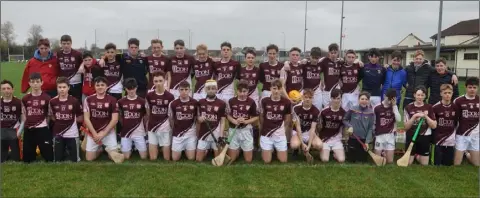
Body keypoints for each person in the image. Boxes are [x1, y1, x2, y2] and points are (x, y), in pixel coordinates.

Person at [83, 76, 124, 163]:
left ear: (106, 87)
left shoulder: (112, 100)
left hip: (108, 132)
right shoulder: (88, 99)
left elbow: (115, 120)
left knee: (113, 157)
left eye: (102, 85)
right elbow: (86, 118)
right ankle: (101, 149)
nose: (100, 87)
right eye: (98, 85)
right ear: (94, 86)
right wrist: (94, 134)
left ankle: (106, 149)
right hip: (94, 133)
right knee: (89, 158)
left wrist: (103, 133)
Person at [21, 72, 54, 163]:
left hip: (42, 129)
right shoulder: (25, 98)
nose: (35, 84)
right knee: (27, 160)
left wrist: (44, 125)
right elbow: (24, 114)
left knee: (49, 158)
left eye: (37, 81)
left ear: (41, 83)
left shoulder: (47, 98)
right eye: (33, 82)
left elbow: (49, 114)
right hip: (29, 129)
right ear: (29, 83)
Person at [49, 77, 83, 162]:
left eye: (64, 87)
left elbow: (80, 117)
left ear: (68, 87)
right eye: (59, 87)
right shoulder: (52, 101)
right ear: (57, 88)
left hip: (72, 133)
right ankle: (63, 150)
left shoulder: (74, 101)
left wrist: (70, 122)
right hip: (58, 133)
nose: (62, 89)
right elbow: (52, 116)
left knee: (75, 160)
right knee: (57, 160)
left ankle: (69, 149)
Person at [259, 79, 291, 163]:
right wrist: (264, 129)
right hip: (267, 134)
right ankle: (270, 149)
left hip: (280, 135)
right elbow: (262, 117)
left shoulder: (287, 102)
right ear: (270, 89)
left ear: (281, 89)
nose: (276, 91)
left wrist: (282, 130)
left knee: (283, 160)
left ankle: (275, 149)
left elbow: (287, 119)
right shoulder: (264, 101)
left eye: (278, 88)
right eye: (274, 88)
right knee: (267, 161)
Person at [403, 85, 437, 166]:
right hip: (411, 136)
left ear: (425, 96)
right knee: (408, 163)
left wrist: (426, 116)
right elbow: (406, 127)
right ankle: (413, 154)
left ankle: (417, 155)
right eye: (418, 95)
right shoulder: (408, 107)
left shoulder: (429, 107)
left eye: (422, 95)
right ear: (414, 95)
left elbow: (434, 126)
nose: (420, 97)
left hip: (424, 136)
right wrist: (414, 117)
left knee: (424, 164)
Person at [227, 80, 259, 163]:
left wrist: (246, 121)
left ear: (248, 91)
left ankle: (242, 148)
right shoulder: (231, 101)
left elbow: (256, 117)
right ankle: (238, 149)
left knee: (248, 160)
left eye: (244, 91)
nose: (242, 94)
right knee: (232, 160)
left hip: (246, 130)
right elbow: (227, 115)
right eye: (240, 91)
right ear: (236, 90)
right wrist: (234, 120)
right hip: (234, 130)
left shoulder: (251, 102)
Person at [145, 71, 175, 161]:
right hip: (152, 126)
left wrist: (171, 126)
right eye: (156, 81)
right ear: (153, 82)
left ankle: (162, 146)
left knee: (166, 158)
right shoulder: (149, 95)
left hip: (165, 127)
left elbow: (171, 115)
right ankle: (152, 146)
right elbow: (148, 111)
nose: (158, 83)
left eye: (160, 81)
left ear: (164, 81)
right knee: (153, 158)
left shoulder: (170, 96)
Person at [196, 80, 227, 162]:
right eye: (208, 88)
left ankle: (211, 149)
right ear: (205, 90)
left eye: (213, 88)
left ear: (216, 90)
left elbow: (223, 121)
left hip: (215, 134)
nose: (211, 90)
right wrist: (199, 119)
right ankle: (206, 150)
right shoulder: (200, 102)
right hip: (203, 134)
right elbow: (197, 119)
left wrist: (220, 136)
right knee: (198, 159)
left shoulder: (221, 103)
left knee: (217, 159)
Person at [117, 78, 148, 160]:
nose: (131, 91)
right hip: (126, 133)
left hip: (139, 132)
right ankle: (130, 147)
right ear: (125, 89)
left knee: (144, 157)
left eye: (133, 88)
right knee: (126, 157)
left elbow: (146, 116)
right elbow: (119, 116)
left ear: (136, 88)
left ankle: (136, 146)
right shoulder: (121, 102)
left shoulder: (142, 101)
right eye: (129, 89)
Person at [290, 89, 323, 161]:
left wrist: (309, 145)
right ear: (302, 97)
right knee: (294, 145)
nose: (307, 99)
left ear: (313, 98)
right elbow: (298, 127)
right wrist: (302, 143)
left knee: (319, 145)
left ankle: (308, 149)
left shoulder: (316, 111)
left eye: (310, 97)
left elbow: (313, 128)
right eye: (306, 97)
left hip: (309, 132)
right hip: (298, 132)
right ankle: (296, 151)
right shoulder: (296, 108)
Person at [169, 81, 198, 161]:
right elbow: (171, 119)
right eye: (182, 90)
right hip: (178, 134)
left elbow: (197, 119)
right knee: (175, 159)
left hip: (190, 134)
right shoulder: (173, 104)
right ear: (178, 90)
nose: (184, 92)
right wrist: (175, 129)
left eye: (186, 89)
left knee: (191, 158)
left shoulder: (195, 103)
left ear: (189, 90)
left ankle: (187, 148)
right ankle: (182, 148)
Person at [453, 77, 479, 166]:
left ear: (477, 88)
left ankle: (467, 153)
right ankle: (463, 152)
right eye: (470, 87)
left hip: (476, 135)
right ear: (466, 87)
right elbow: (454, 119)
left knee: (477, 164)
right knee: (457, 164)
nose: (472, 90)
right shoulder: (458, 101)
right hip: (461, 135)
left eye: (474, 87)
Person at [343, 91, 375, 163]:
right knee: (351, 160)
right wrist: (349, 126)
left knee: (362, 160)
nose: (364, 101)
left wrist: (367, 142)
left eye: (366, 99)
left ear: (368, 101)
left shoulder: (371, 112)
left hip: (363, 141)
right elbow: (344, 119)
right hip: (353, 138)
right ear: (358, 100)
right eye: (362, 99)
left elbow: (370, 128)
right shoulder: (353, 109)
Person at [373, 88, 401, 164]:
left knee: (390, 161)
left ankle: (384, 153)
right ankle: (382, 152)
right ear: (384, 96)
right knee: (378, 162)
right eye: (388, 98)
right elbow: (373, 121)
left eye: (392, 99)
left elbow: (399, 119)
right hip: (379, 135)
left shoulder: (394, 107)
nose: (389, 101)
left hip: (390, 135)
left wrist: (395, 106)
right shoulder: (377, 107)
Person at [432, 84, 458, 166]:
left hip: (450, 139)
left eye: (449, 93)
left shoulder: (455, 107)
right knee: (437, 164)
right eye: (445, 93)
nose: (447, 95)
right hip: (438, 140)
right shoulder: (435, 107)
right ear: (441, 94)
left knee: (448, 164)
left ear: (452, 93)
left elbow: (456, 122)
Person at [318, 89, 346, 163]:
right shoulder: (324, 111)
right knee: (325, 160)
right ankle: (325, 151)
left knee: (341, 160)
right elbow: (319, 127)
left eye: (338, 98)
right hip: (325, 139)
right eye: (334, 98)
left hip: (336, 139)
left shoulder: (343, 112)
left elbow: (344, 128)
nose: (336, 100)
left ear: (341, 99)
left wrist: (345, 138)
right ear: (331, 98)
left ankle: (334, 153)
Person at [1, 80, 23, 163]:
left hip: (14, 131)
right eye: (3, 88)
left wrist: (20, 130)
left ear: (12, 89)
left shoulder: (18, 102)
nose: (6, 90)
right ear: (0, 90)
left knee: (16, 159)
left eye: (8, 88)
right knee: (1, 159)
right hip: (1, 130)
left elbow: (23, 119)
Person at [56, 35, 84, 101]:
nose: (66, 45)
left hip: (76, 83)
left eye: (68, 43)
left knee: (76, 102)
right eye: (64, 44)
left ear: (71, 43)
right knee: (64, 102)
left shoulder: (77, 54)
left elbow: (86, 60)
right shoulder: (58, 54)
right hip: (63, 84)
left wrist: (82, 65)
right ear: (61, 44)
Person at [319, 43, 342, 108]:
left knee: (336, 108)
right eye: (331, 53)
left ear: (338, 52)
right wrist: (321, 81)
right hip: (327, 90)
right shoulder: (324, 61)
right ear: (329, 53)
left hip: (337, 89)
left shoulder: (340, 62)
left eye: (335, 52)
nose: (333, 54)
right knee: (326, 108)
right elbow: (316, 70)